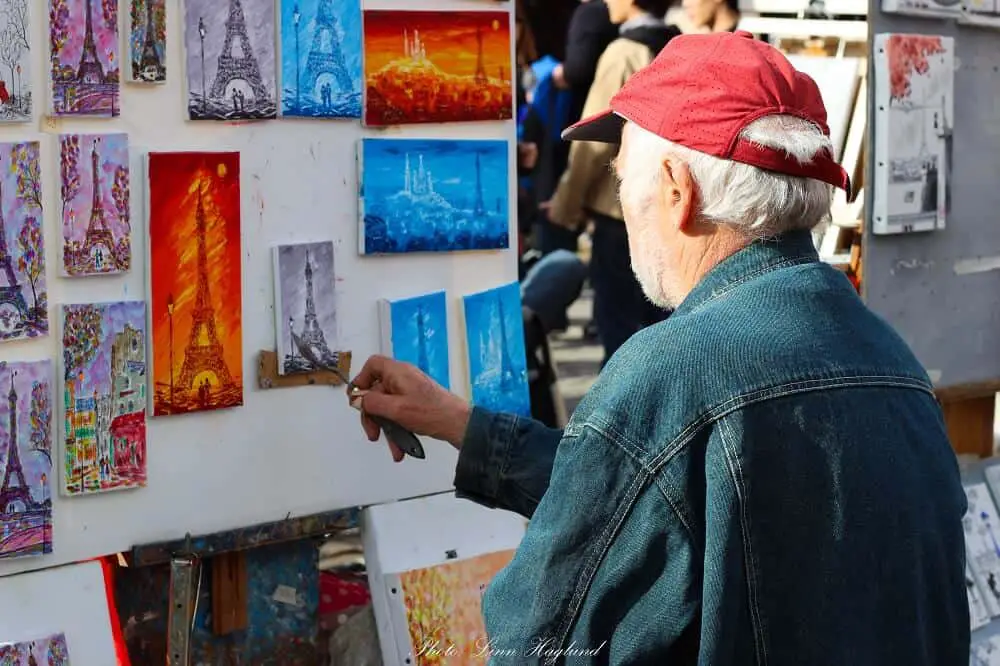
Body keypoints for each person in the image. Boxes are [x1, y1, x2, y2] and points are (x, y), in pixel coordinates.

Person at [349, 31, 969, 664]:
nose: (623, 210)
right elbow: (659, 498)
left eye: (622, 181)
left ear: (677, 190)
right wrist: (462, 426)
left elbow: (533, 640)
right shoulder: (897, 364)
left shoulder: (671, 371)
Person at [543, 0, 678, 366]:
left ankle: (620, 420)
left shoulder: (622, 53)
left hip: (620, 209)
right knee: (662, 327)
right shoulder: (678, 46)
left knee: (618, 329)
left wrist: (565, 204)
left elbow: (591, 144)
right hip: (669, 206)